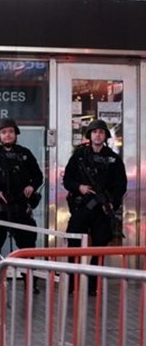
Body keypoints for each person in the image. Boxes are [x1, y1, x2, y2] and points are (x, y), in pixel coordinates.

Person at [63, 119, 127, 296]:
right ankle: (70, 284)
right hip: (82, 207)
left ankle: (92, 286)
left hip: (101, 209)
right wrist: (79, 187)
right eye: (94, 132)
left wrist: (111, 202)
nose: (98, 135)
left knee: (99, 247)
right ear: (89, 135)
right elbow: (67, 179)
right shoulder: (79, 156)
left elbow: (121, 185)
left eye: (101, 132)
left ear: (105, 136)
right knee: (73, 245)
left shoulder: (113, 159)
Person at [0, 118, 43, 254]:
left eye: (10, 132)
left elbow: (38, 176)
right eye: (4, 132)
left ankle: (27, 274)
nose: (7, 135)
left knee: (27, 245)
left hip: (20, 205)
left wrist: (32, 186)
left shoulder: (25, 153)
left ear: (15, 134)